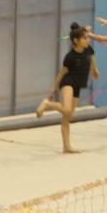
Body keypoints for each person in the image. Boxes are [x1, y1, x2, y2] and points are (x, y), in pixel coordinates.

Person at [37, 23, 96, 153]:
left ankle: (66, 146)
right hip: (68, 82)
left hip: (78, 85)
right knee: (67, 109)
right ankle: (47, 104)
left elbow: (92, 58)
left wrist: (95, 70)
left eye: (88, 38)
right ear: (76, 41)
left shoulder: (88, 49)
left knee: (67, 116)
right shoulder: (70, 57)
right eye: (85, 38)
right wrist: (53, 90)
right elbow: (61, 74)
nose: (88, 39)